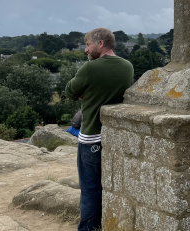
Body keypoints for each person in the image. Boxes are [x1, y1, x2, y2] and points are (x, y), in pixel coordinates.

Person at [65, 28, 134, 231]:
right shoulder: (127, 67)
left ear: (100, 43)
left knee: (89, 189)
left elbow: (70, 90)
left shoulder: (90, 69)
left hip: (91, 137)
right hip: (115, 137)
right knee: (111, 187)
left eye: (88, 44)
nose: (86, 50)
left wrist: (85, 92)